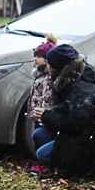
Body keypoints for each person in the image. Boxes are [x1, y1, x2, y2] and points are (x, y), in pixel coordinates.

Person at [31, 44, 95, 178]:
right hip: (73, 134)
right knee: (38, 134)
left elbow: (75, 123)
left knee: (42, 154)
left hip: (85, 140)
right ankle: (58, 166)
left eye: (49, 63)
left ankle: (91, 163)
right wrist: (49, 112)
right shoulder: (68, 81)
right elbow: (67, 109)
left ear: (57, 67)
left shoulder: (80, 89)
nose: (46, 66)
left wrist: (47, 115)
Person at [28, 36, 58, 176]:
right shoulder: (39, 74)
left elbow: (47, 97)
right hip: (37, 114)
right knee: (37, 136)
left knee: (43, 137)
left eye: (39, 56)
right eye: (35, 56)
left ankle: (47, 164)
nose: (35, 59)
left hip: (43, 116)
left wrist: (44, 115)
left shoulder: (47, 78)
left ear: (46, 59)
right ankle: (42, 163)